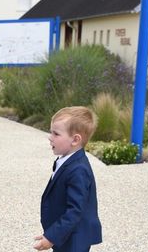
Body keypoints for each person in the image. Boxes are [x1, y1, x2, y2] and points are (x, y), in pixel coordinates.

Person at [34, 106, 102, 251]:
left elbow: (75, 211)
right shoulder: (67, 160)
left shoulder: (78, 170)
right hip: (66, 235)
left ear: (75, 140)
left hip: (75, 239)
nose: (50, 137)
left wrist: (52, 237)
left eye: (56, 134)